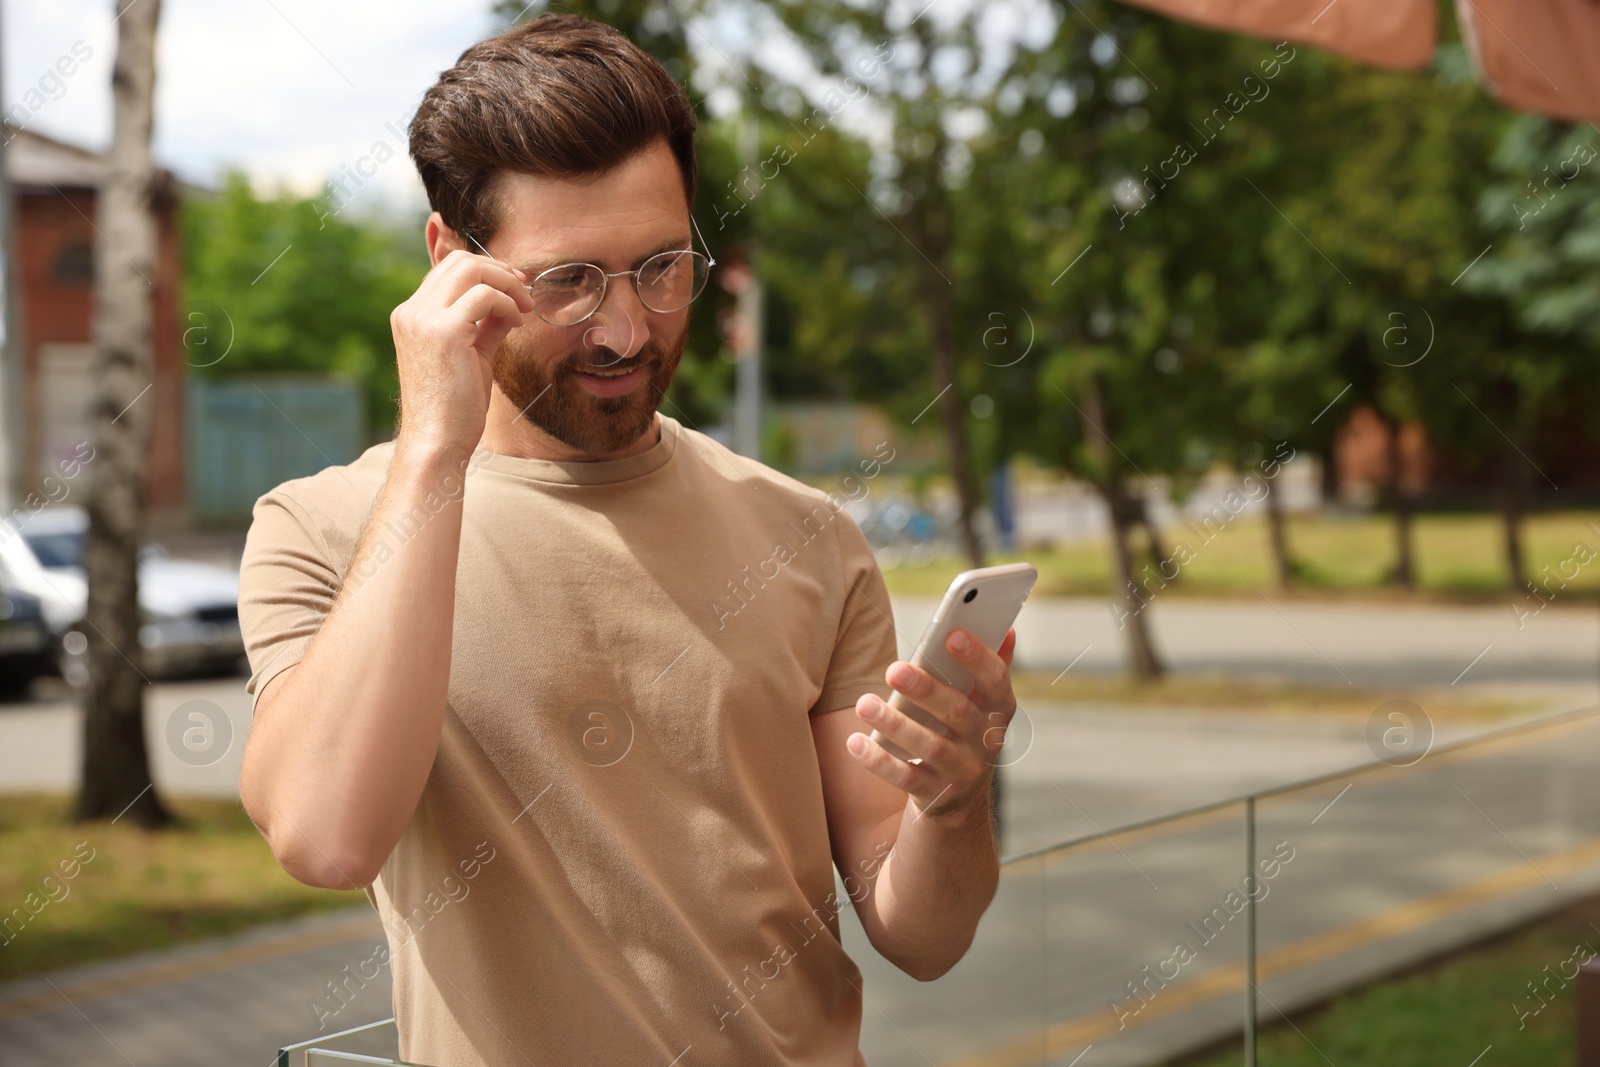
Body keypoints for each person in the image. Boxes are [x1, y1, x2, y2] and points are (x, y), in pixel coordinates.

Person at [236, 13, 1020, 1066]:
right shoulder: (322, 530)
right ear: (447, 262)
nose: (625, 329)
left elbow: (920, 931)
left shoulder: (811, 538)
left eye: (659, 264)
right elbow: (327, 835)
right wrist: (433, 447)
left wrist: (955, 802)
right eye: (566, 280)